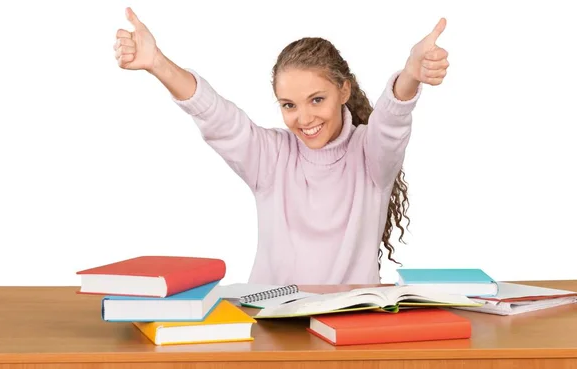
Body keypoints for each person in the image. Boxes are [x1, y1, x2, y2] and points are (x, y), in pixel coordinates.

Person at [113, 7, 449, 285]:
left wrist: (411, 75)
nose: (304, 118)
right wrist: (157, 63)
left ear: (343, 92)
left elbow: (391, 123)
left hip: (350, 327)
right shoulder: (271, 156)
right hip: (272, 327)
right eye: (289, 105)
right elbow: (216, 116)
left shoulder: (371, 156)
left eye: (316, 100)